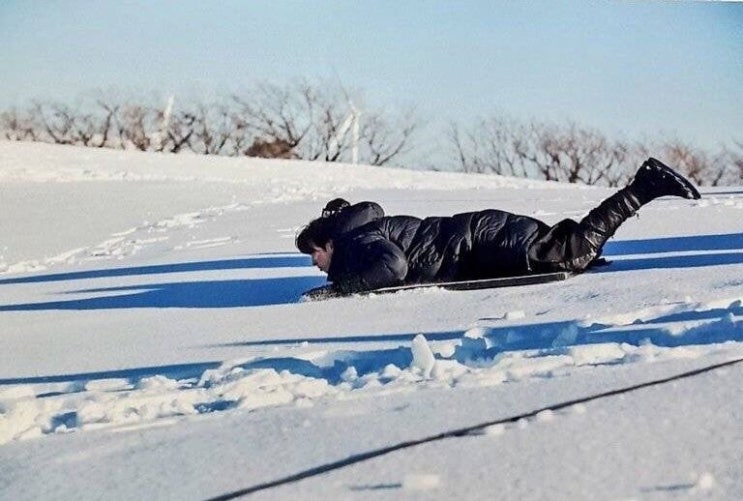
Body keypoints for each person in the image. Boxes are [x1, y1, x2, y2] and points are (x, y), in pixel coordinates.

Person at [296, 158, 701, 295]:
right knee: (569, 253)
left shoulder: (356, 241)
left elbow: (393, 268)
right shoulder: (357, 239)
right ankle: (645, 186)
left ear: (327, 241)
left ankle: (646, 185)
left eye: (313, 253)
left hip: (481, 239)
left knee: (572, 252)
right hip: (482, 240)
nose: (314, 263)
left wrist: (341, 289)